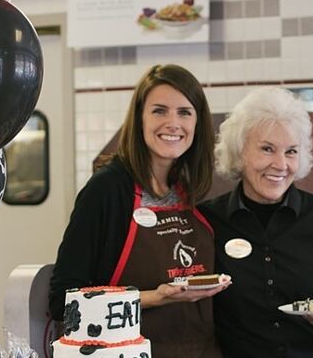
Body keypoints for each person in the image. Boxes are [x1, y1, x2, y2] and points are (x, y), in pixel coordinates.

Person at [49, 64, 227, 357]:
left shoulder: (193, 187)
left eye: (185, 112)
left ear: (198, 122)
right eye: (159, 110)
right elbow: (63, 301)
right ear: (139, 118)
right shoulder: (107, 189)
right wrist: (155, 298)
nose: (173, 122)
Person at [201, 87, 313, 357]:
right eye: (267, 149)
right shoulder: (208, 221)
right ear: (239, 152)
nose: (281, 164)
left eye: (291, 151)